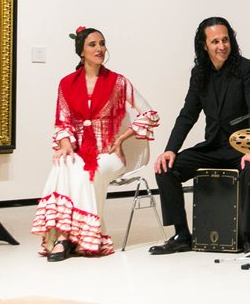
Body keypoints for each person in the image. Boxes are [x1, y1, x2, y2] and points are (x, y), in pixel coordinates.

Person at [31, 27, 159, 261]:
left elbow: (149, 112)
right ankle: (63, 238)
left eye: (102, 43)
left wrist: (121, 138)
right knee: (63, 164)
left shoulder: (118, 82)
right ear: (81, 52)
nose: (99, 49)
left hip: (110, 154)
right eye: (93, 45)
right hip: (81, 151)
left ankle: (89, 238)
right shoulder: (67, 83)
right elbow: (63, 121)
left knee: (89, 173)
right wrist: (66, 143)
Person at [149, 16, 250, 255]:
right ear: (204, 45)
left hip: (241, 148)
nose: (221, 46)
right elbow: (187, 114)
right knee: (165, 168)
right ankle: (182, 234)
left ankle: (249, 237)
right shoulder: (199, 73)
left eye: (225, 40)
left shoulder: (247, 69)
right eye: (215, 41)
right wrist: (171, 148)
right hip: (213, 147)